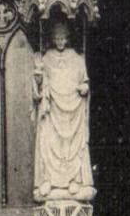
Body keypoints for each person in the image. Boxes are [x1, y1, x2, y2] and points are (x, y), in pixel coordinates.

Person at [32, 14, 93, 202]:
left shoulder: (77, 58)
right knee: (49, 141)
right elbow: (39, 88)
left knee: (73, 144)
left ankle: (74, 179)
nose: (60, 41)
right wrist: (39, 79)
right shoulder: (46, 58)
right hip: (53, 110)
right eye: (57, 38)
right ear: (52, 38)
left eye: (63, 38)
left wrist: (84, 89)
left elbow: (84, 82)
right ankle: (48, 179)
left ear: (68, 38)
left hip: (73, 109)